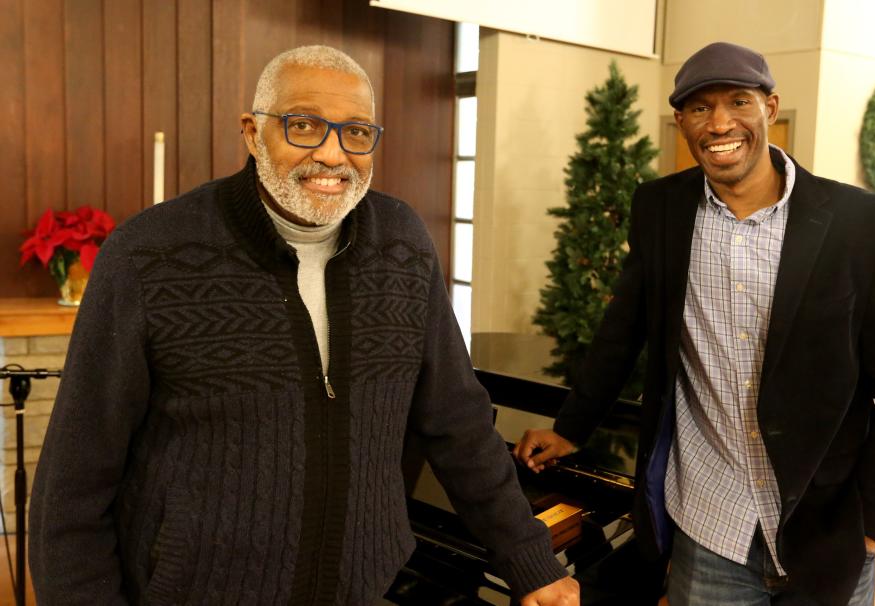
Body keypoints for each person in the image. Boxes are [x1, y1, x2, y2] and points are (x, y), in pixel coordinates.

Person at [29, 45, 578, 606]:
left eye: (357, 132)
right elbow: (74, 482)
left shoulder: (402, 244)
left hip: (362, 590)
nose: (333, 154)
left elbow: (458, 422)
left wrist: (529, 559)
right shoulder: (150, 254)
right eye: (305, 125)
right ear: (252, 131)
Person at [514, 41, 875, 606]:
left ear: (769, 107)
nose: (720, 123)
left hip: (828, 528)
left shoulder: (868, 226)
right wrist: (571, 425)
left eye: (738, 101)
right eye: (699, 108)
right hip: (708, 523)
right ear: (681, 122)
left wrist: (873, 524)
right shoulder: (659, 209)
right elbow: (624, 329)